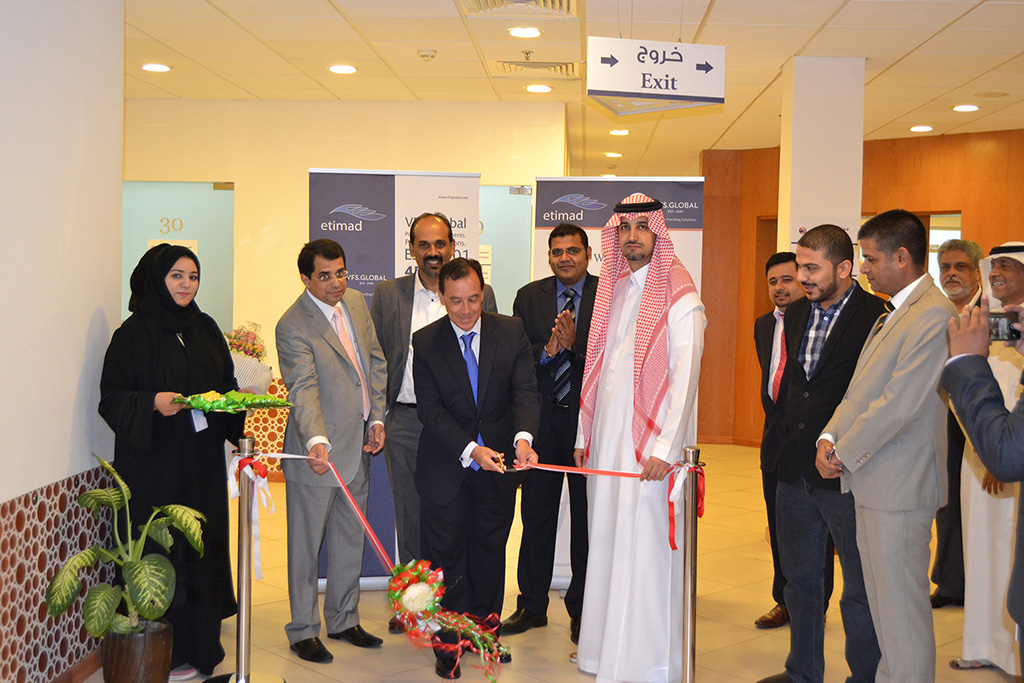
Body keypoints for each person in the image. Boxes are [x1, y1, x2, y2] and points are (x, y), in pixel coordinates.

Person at [816, 209, 957, 682]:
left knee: (902, 618)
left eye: (871, 259)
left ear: (902, 256)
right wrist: (829, 436)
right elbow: (861, 391)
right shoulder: (895, 312)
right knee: (883, 610)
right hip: (874, 482)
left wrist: (843, 450)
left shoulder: (934, 315)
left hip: (901, 486)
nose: (865, 268)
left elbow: (901, 402)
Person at [572, 194, 705, 682]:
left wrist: (665, 450)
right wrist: (585, 433)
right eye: (623, 227)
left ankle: (645, 662)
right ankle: (604, 651)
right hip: (607, 447)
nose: (631, 235)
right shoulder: (616, 289)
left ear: (658, 232)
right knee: (606, 540)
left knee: (642, 547)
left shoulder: (681, 295)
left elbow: (685, 378)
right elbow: (599, 371)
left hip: (648, 453)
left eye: (641, 227)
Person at [99, 244, 244, 681]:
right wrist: (151, 403)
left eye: (193, 276)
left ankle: (201, 645)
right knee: (166, 551)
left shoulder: (203, 326)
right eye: (177, 276)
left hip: (200, 464)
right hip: (155, 467)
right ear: (155, 278)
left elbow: (227, 382)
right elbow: (112, 399)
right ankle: (166, 648)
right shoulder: (132, 335)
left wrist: (229, 408)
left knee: (201, 544)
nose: (186, 285)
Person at [757, 226, 884, 683]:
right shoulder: (795, 316)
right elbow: (796, 389)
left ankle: (864, 676)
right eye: (799, 267)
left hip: (846, 471)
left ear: (845, 269)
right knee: (801, 580)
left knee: (858, 587)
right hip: (794, 471)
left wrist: (843, 447)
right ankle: (802, 672)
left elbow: (875, 398)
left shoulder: (877, 317)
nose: (800, 278)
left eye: (812, 269)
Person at [412, 257, 541, 679]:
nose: (464, 311)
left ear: (483, 293)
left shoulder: (511, 331)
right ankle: (448, 642)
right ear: (441, 298)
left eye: (471, 300)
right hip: (446, 467)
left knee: (488, 554)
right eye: (454, 302)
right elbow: (430, 411)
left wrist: (523, 438)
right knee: (445, 558)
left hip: (498, 469)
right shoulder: (426, 341)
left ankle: (485, 634)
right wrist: (471, 449)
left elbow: (524, 390)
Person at [370, 212, 497, 633]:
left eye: (440, 243)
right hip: (407, 421)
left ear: (452, 247)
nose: (432, 252)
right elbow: (376, 360)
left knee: (460, 518)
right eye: (423, 245)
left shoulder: (481, 293)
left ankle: (456, 605)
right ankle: (414, 603)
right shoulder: (388, 295)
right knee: (411, 517)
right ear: (411, 250)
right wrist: (377, 415)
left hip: (462, 431)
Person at [276, 238, 387, 664]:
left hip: (359, 441)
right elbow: (302, 389)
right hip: (317, 453)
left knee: (348, 537)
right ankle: (303, 630)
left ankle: (343, 618)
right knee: (306, 545)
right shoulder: (293, 324)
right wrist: (316, 441)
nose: (336, 283)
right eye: (325, 276)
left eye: (340, 272)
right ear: (305, 278)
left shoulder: (357, 302)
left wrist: (376, 417)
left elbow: (374, 362)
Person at [504, 223, 598, 644]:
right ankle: (532, 605)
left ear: (588, 253)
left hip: (587, 426)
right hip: (541, 424)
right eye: (557, 251)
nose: (565, 258)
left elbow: (612, 357)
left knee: (586, 520)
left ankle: (582, 607)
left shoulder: (608, 294)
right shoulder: (529, 296)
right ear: (548, 255)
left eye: (573, 250)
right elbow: (518, 359)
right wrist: (549, 350)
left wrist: (575, 345)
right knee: (536, 518)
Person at [950, 242, 1024, 674]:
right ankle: (983, 642)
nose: (995, 275)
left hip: (1010, 453)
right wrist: (983, 450)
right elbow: (958, 392)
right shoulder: (982, 320)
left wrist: (1001, 452)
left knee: (1010, 548)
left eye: (1007, 267)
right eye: (992, 268)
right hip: (981, 451)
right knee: (979, 547)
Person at [754, 251, 833, 629]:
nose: (780, 287)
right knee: (778, 523)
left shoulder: (816, 324)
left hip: (815, 442)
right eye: (773, 281)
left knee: (820, 530)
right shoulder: (761, 326)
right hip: (775, 443)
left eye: (788, 279)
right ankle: (783, 599)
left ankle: (815, 604)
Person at [931, 239, 983, 610]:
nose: (951, 274)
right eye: (945, 266)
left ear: (977, 273)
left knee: (980, 504)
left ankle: (981, 584)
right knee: (947, 501)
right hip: (945, 417)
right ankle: (951, 582)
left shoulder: (993, 312)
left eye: (960, 267)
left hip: (984, 419)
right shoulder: (938, 312)